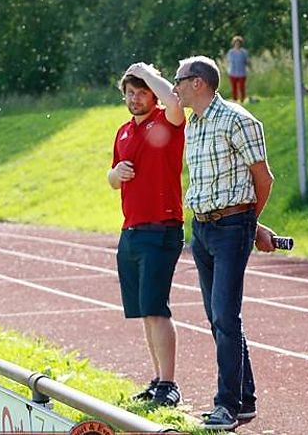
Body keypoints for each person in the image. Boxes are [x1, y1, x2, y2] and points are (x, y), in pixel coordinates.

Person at [172, 55, 277, 431]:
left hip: (232, 227)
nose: (175, 87)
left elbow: (263, 178)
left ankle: (226, 406)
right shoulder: (194, 123)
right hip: (201, 229)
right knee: (218, 318)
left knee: (225, 316)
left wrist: (250, 222)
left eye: (179, 80)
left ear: (197, 82)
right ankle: (244, 400)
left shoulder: (238, 120)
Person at [108, 62, 185, 408]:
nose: (135, 98)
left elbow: (175, 102)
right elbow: (112, 180)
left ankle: (169, 384)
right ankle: (157, 380)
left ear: (153, 95)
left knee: (156, 309)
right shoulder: (123, 132)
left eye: (142, 92)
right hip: (131, 230)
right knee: (144, 310)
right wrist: (115, 174)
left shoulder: (166, 122)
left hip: (162, 228)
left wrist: (146, 71)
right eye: (130, 92)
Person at [227, 36, 250, 103]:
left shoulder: (244, 52)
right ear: (234, 44)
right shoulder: (231, 52)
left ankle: (242, 99)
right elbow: (229, 61)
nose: (237, 44)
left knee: (242, 87)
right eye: (236, 43)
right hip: (233, 72)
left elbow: (247, 61)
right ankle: (235, 100)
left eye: (239, 43)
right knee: (234, 88)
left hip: (242, 73)